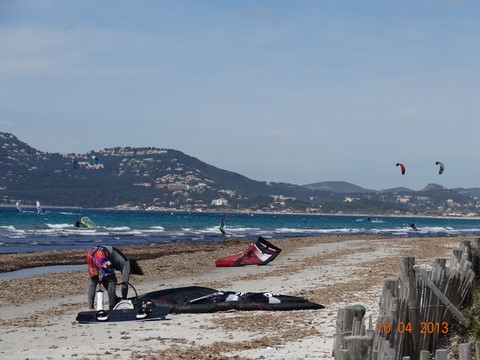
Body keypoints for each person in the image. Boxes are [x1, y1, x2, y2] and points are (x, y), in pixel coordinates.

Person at [86, 245, 143, 310]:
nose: (129, 274)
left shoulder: (120, 261)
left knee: (95, 281)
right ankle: (112, 307)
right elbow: (125, 285)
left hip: (91, 253)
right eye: (130, 273)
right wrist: (124, 299)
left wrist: (115, 297)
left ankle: (91, 308)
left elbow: (105, 281)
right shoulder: (127, 264)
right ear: (132, 270)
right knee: (112, 280)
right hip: (101, 254)